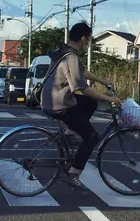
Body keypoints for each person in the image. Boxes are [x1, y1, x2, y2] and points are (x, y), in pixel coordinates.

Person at [41, 22, 122, 189]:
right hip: (59, 104)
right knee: (92, 137)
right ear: (84, 38)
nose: (88, 43)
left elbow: (81, 72)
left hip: (50, 99)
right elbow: (82, 88)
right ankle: (74, 172)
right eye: (89, 40)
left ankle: (70, 134)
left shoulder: (64, 51)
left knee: (90, 103)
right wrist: (109, 98)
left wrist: (102, 81)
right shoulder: (72, 56)